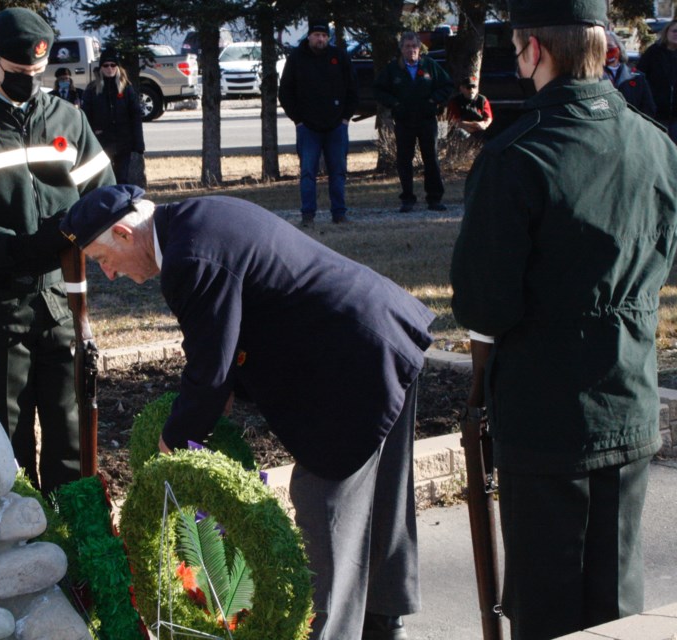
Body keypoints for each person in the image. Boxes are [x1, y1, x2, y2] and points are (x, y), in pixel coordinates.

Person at [60, 185, 435, 640]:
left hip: (352, 365)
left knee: (327, 514)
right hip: (380, 338)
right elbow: (235, 321)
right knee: (379, 509)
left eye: (103, 259)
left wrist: (169, 445)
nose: (110, 274)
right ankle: (384, 629)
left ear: (123, 232)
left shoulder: (188, 259)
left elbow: (208, 374)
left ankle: (331, 633)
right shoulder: (194, 219)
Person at [450, 0, 677, 637]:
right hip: (628, 402)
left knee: (547, 611)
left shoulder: (517, 157)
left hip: (547, 419)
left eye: (518, 46)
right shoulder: (655, 145)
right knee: (616, 609)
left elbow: (482, 304)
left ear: (535, 51)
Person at [0, 7, 116, 493]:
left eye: (38, 72)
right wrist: (21, 249)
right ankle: (19, 543)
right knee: (7, 433)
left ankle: (74, 542)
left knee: (69, 429)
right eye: (18, 73)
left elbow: (104, 195)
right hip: (1, 303)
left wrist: (81, 233)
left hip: (63, 299)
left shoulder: (69, 120)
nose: (30, 81)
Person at [278, 18, 359, 227]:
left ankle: (339, 214)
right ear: (309, 36)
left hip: (336, 126)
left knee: (338, 171)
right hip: (308, 127)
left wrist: (345, 119)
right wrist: (298, 120)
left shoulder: (339, 56)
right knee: (307, 173)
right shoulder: (296, 58)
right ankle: (307, 215)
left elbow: (352, 89)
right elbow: (285, 91)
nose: (320, 39)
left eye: (324, 36)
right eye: (317, 35)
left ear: (328, 38)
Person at [374, 32, 454, 213]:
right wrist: (394, 104)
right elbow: (379, 90)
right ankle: (407, 199)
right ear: (401, 49)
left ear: (420, 48)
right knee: (404, 160)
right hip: (404, 121)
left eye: (414, 46)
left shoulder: (429, 66)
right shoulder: (393, 68)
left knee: (431, 159)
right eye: (407, 46)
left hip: (426, 120)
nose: (411, 50)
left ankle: (434, 198)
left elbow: (447, 85)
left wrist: (434, 100)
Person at [82, 50, 145, 185]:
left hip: (124, 141)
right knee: (106, 179)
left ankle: (122, 204)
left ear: (117, 67)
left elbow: (135, 115)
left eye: (112, 65)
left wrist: (138, 142)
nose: (109, 68)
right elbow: (85, 116)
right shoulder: (92, 89)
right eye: (106, 65)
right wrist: (93, 133)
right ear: (101, 68)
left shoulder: (126, 88)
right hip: (102, 141)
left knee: (122, 178)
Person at [637, 18, 677, 140]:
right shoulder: (653, 52)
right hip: (657, 113)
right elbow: (640, 76)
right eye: (674, 31)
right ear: (667, 32)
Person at [605, 31, 656, 118]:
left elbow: (648, 109)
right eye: (601, 47)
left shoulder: (637, 77)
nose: (606, 50)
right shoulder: (590, 77)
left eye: (610, 46)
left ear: (619, 49)